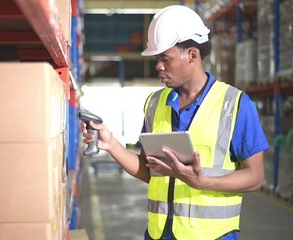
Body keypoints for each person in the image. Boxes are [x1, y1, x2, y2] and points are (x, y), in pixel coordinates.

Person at [80, 5, 269, 240]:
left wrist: (202, 182)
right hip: (159, 235)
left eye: (165, 58)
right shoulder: (154, 103)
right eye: (157, 58)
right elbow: (150, 172)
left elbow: (255, 177)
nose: (158, 66)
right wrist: (111, 144)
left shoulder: (236, 104)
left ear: (192, 55)